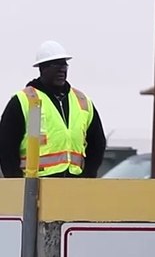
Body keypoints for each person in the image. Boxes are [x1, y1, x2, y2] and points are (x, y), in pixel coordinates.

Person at [0, 41, 106, 178]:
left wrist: (87, 177)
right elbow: (6, 146)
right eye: (56, 65)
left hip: (74, 184)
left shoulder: (82, 101)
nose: (62, 69)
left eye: (64, 64)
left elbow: (98, 143)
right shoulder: (25, 100)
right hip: (35, 185)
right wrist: (16, 183)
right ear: (42, 68)